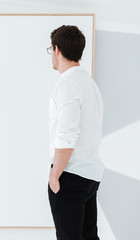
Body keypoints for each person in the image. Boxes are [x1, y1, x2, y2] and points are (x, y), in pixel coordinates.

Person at [47, 25, 105, 240]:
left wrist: (55, 174)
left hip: (70, 174)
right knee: (89, 237)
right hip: (90, 174)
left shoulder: (68, 84)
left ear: (57, 50)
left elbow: (67, 133)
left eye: (50, 50)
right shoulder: (89, 84)